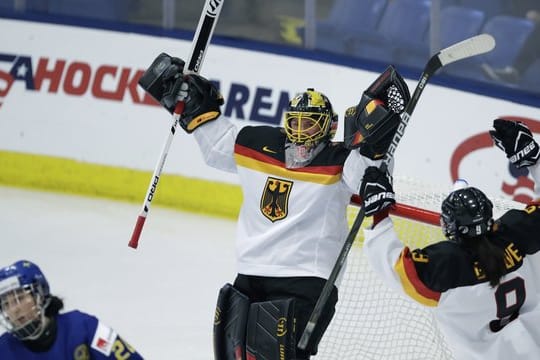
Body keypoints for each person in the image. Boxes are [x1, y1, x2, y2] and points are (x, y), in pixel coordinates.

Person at [137, 54, 410, 359]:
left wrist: (375, 148)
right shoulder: (258, 142)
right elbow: (219, 146)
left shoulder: (340, 158)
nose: (302, 130)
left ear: (328, 127)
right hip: (250, 273)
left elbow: (365, 172)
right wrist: (190, 100)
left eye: (310, 123)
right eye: (297, 122)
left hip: (306, 278)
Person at [359, 118, 540, 360]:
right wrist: (533, 159)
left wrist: (378, 212)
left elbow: (399, 269)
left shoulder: (450, 266)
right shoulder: (519, 233)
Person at [0, 260, 144, 359]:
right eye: (6, 304)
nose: (14, 310)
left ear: (40, 295)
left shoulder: (84, 327)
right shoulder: (3, 350)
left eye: (19, 298)